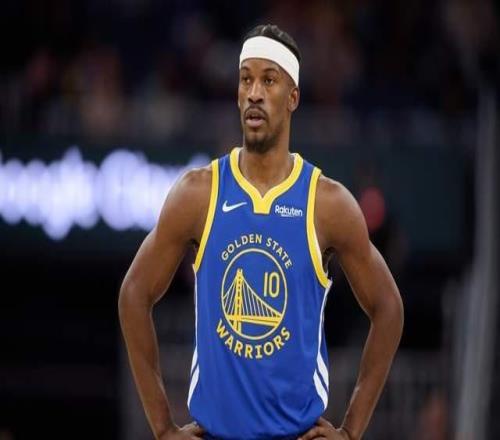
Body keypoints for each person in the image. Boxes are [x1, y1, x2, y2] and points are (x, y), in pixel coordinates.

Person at [118, 24, 404, 440]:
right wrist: (162, 427)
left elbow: (389, 307)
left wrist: (351, 431)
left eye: (268, 80)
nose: (254, 92)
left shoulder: (328, 204)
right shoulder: (198, 193)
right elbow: (133, 294)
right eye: (245, 79)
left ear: (293, 97)